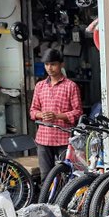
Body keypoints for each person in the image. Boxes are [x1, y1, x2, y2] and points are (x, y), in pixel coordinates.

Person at [29, 48, 83, 180]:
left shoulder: (71, 86)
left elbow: (78, 112)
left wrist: (57, 116)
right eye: (47, 64)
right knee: (45, 176)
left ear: (61, 64)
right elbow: (32, 111)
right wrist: (41, 115)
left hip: (63, 138)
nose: (49, 68)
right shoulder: (40, 86)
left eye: (53, 64)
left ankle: (63, 200)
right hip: (43, 138)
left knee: (66, 175)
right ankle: (46, 200)